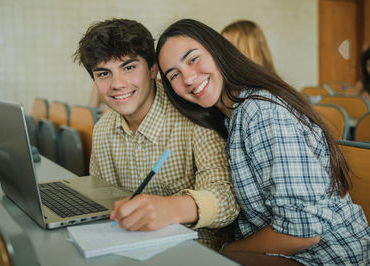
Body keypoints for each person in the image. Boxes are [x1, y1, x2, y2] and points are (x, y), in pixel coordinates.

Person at [156, 19, 370, 265]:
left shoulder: (259, 112)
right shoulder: (228, 116)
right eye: (174, 74)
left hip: (328, 255)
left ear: (217, 50)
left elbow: (303, 232)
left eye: (192, 59)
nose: (189, 78)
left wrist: (227, 251)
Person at [73, 18, 238, 250]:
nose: (117, 84)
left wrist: (173, 207)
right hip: (130, 246)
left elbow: (227, 198)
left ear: (152, 69)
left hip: (196, 249)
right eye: (103, 74)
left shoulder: (192, 114)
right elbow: (105, 203)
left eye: (129, 67)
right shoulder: (103, 129)